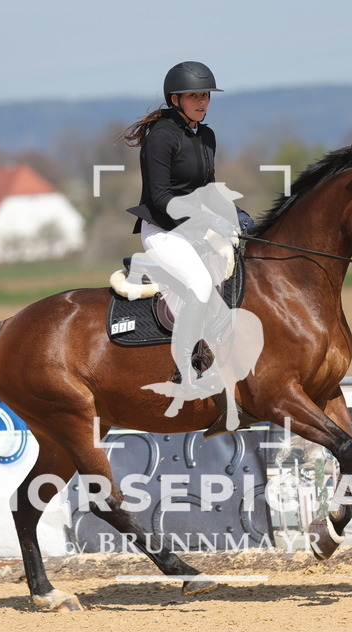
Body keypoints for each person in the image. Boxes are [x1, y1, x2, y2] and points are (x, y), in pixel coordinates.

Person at [120, 61, 241, 403]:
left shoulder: (206, 136)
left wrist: (232, 214)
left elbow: (207, 189)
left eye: (205, 95)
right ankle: (185, 370)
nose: (203, 101)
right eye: (194, 96)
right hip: (163, 231)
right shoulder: (160, 137)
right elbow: (160, 197)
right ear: (175, 100)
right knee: (201, 283)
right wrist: (207, 222)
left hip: (194, 231)